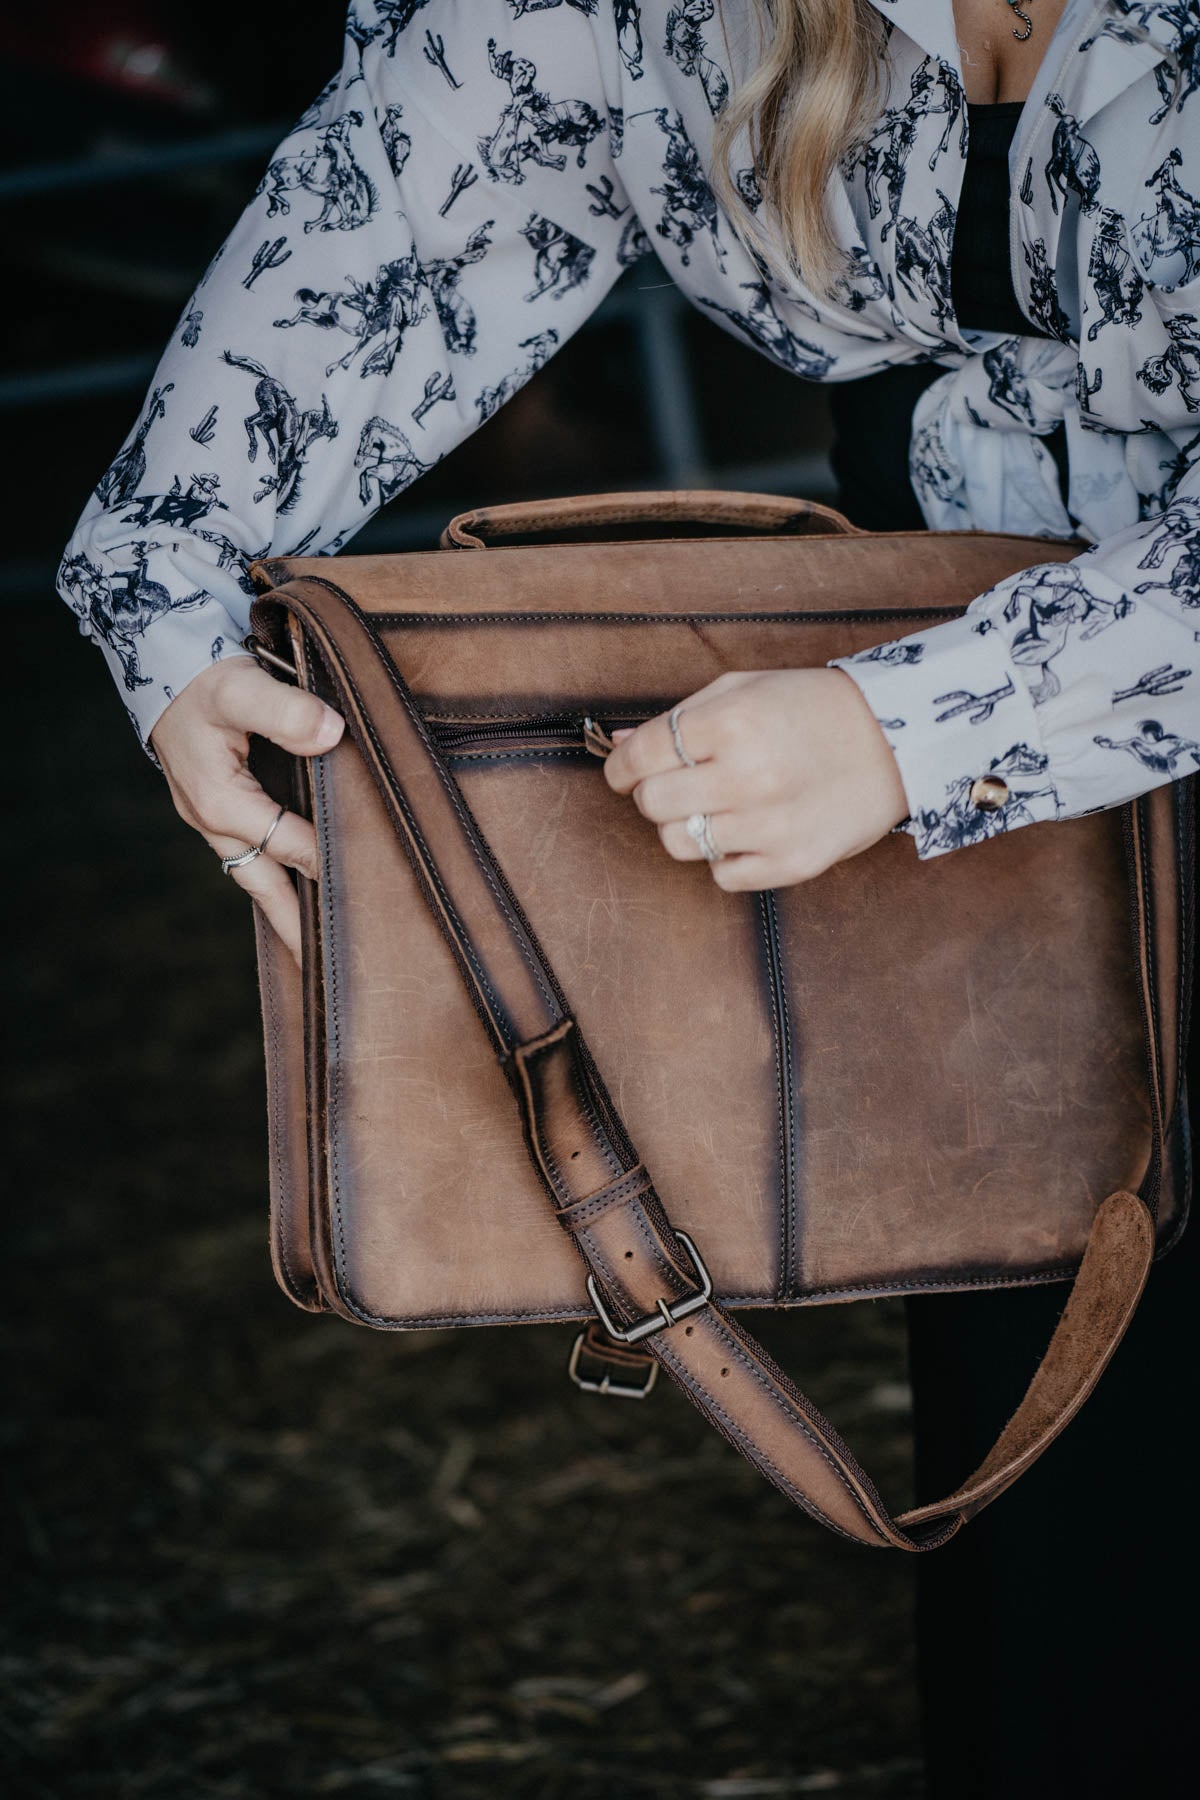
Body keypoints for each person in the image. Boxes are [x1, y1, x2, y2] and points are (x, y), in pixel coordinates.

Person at [57, 4, 1198, 1795]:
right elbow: (415, 191)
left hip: (929, 756)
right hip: (970, 899)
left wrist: (917, 731)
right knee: (1086, 1513)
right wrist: (176, 606)